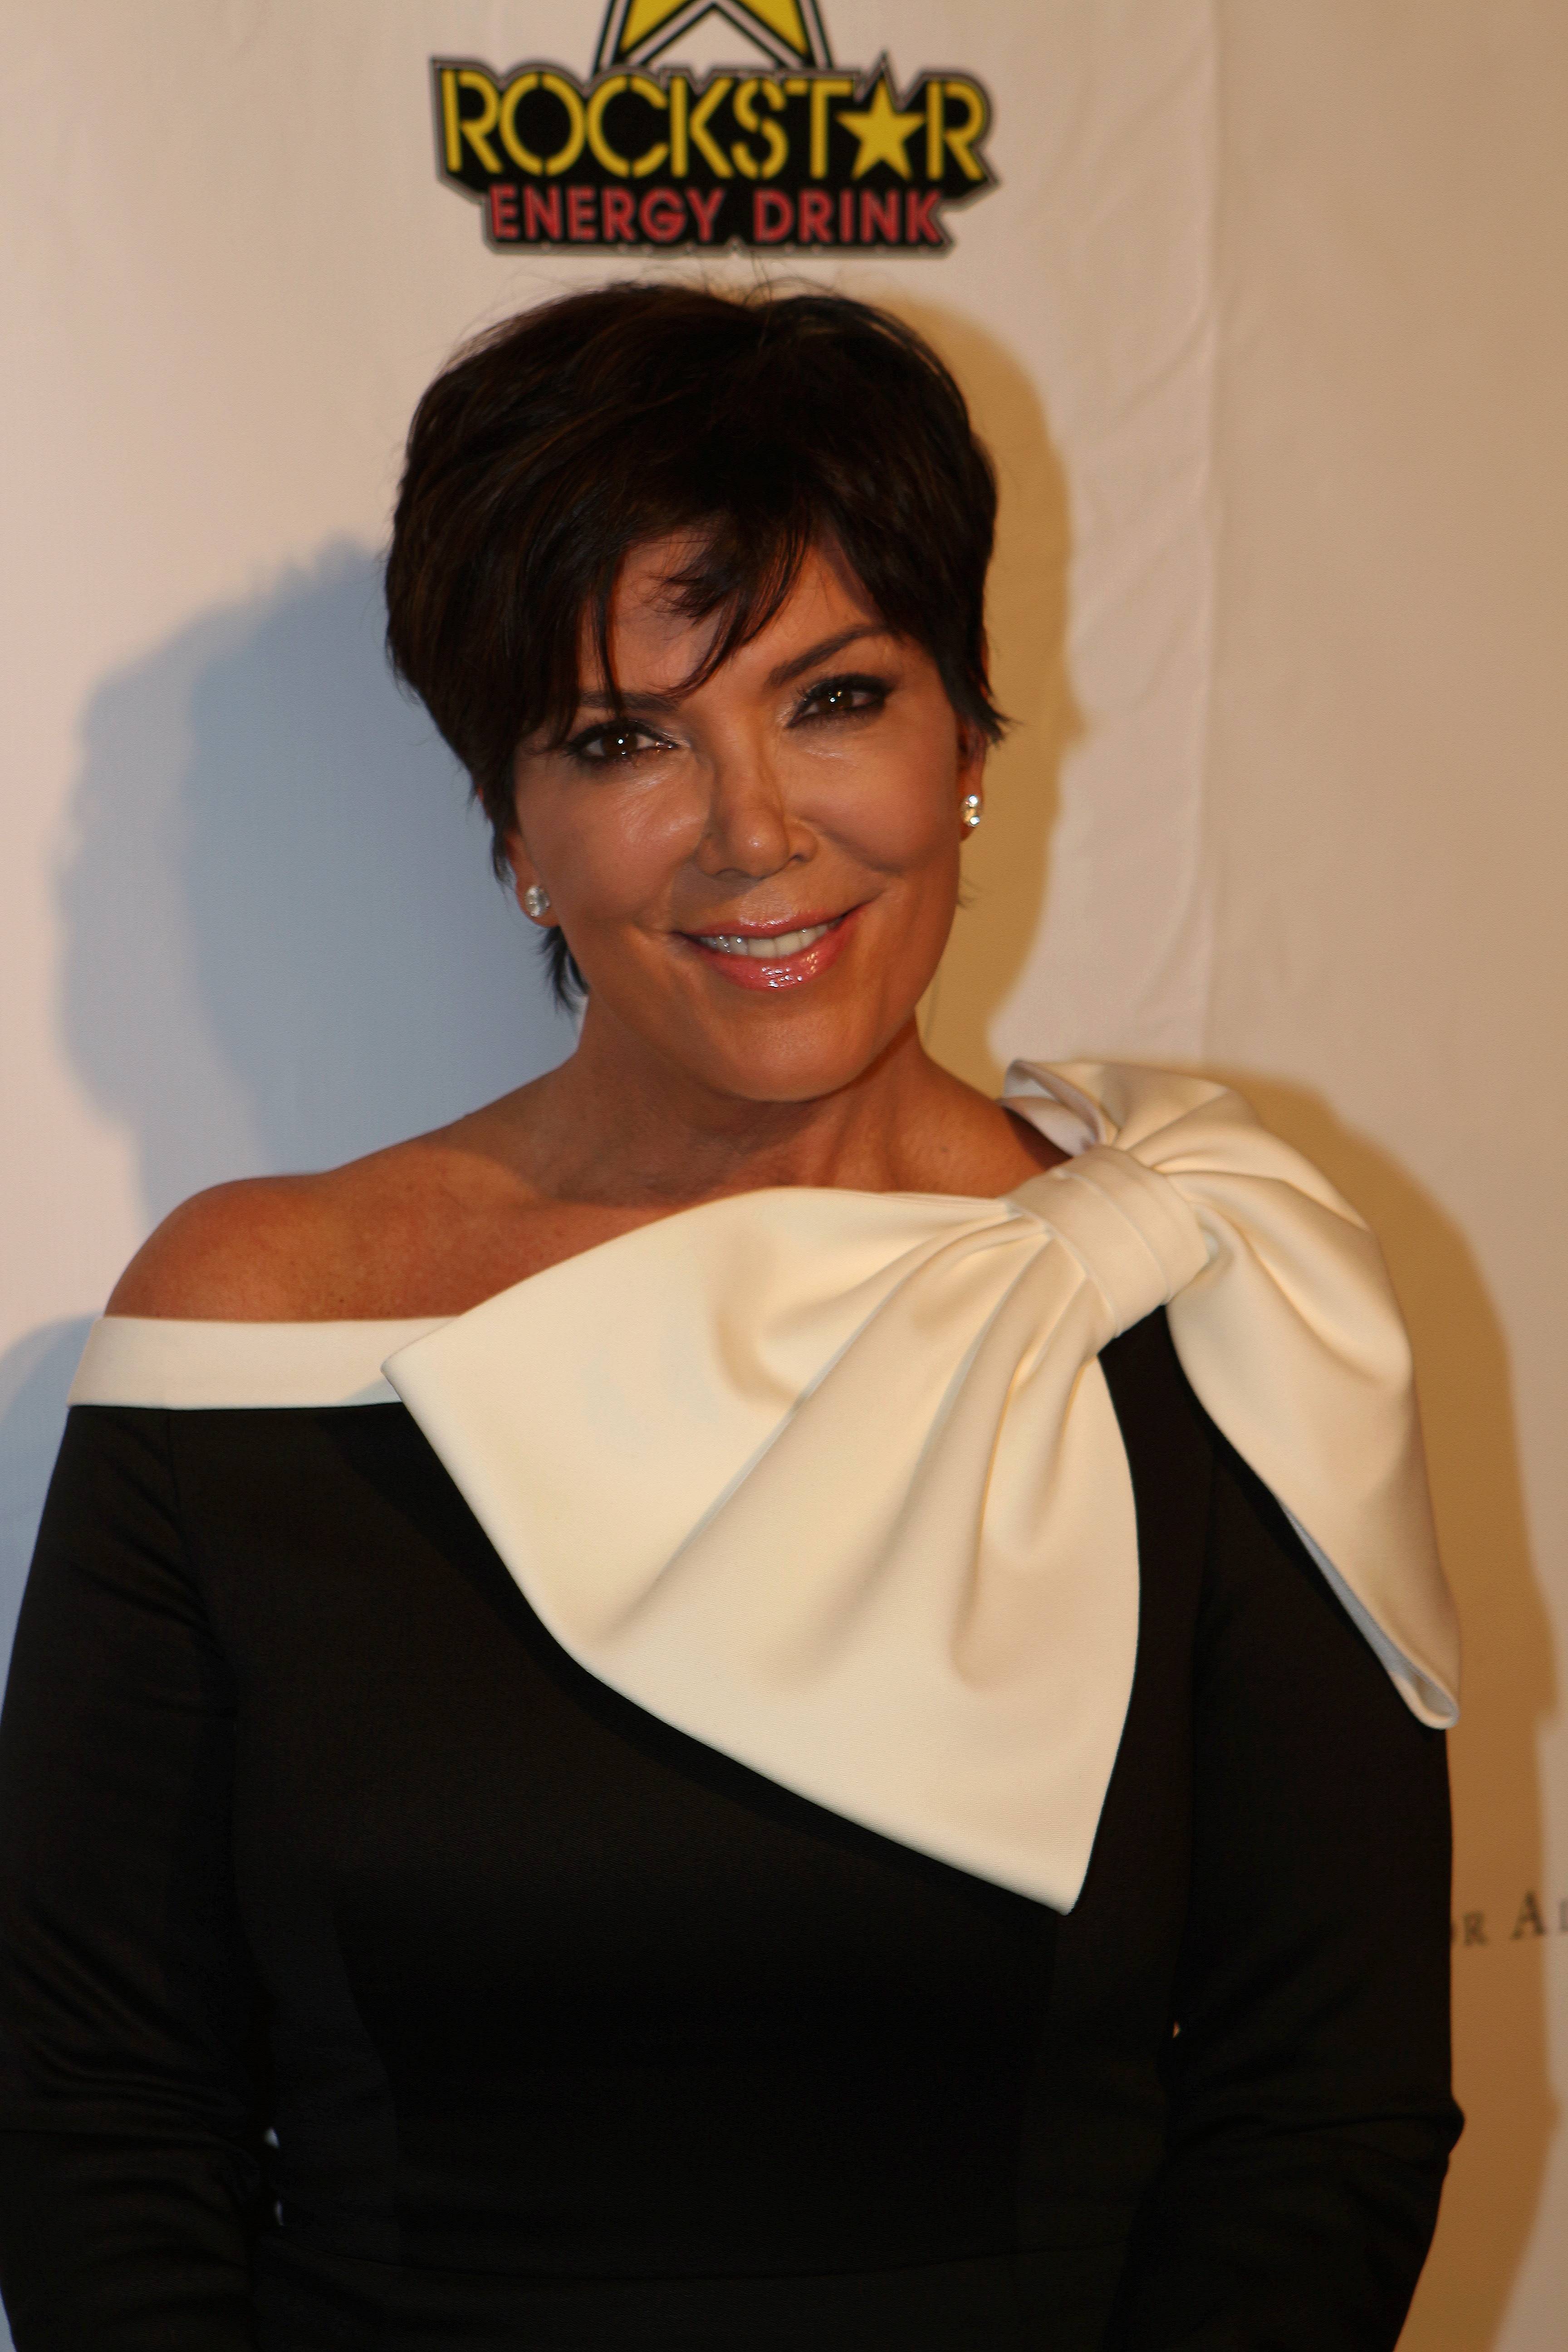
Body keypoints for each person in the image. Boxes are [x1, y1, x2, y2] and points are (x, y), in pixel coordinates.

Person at [0, 283, 1462, 2351]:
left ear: (969, 742)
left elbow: (1323, 2115)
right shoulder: (249, 1330)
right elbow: (98, 2119)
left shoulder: (1204, 1299)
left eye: (835, 698)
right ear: (515, 827)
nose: (756, 830)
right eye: (626, 740)